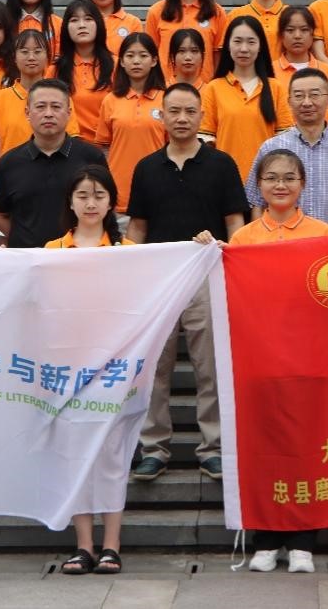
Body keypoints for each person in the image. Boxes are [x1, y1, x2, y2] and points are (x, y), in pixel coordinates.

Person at [221, 150, 328, 575]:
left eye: (290, 177)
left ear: (303, 184)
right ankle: (267, 539)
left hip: (308, 357)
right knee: (264, 451)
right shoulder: (243, 240)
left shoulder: (323, 233)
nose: (281, 185)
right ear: (259, 186)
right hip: (259, 360)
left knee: (308, 451)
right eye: (271, 178)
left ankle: (304, 541)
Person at [126, 83, 249, 482]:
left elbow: (235, 222)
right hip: (158, 280)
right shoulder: (147, 167)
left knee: (209, 366)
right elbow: (138, 227)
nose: (181, 119)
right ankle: (153, 448)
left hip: (207, 275)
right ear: (161, 116)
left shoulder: (221, 164)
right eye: (174, 111)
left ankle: (212, 448)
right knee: (154, 369)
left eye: (189, 112)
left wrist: (230, 259)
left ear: (201, 117)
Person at [50, 166, 133, 576]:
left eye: (99, 195)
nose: (90, 203)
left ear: (111, 202)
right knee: (73, 457)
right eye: (82, 195)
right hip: (66, 370)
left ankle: (111, 545)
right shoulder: (52, 251)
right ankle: (83, 546)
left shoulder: (129, 251)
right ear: (70, 201)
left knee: (112, 458)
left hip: (113, 370)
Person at [244, 68, 328, 232]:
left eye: (315, 95)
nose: (307, 102)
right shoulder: (270, 148)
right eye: (299, 96)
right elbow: (258, 205)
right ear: (289, 101)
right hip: (284, 244)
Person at [0, 79, 107, 248]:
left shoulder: (91, 157)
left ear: (69, 112)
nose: (48, 114)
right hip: (28, 257)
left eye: (56, 107)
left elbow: (104, 206)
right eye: (40, 107)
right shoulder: (9, 162)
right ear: (27, 113)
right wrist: (21, 237)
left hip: (77, 255)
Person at [200, 16, 294, 181]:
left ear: (260, 46)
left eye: (251, 42)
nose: (244, 49)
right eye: (237, 41)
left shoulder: (276, 88)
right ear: (228, 45)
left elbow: (285, 142)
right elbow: (206, 142)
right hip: (225, 182)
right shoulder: (213, 88)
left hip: (266, 184)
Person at [95, 32, 167, 223]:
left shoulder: (166, 99)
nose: (136, 61)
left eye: (143, 55)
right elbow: (104, 148)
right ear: (122, 62)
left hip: (159, 190)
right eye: (130, 55)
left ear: (154, 60)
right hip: (120, 194)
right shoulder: (110, 100)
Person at [0, 29, 51, 200]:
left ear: (47, 57)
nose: (31, 57)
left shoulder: (58, 96)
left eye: (37, 51)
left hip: (50, 183)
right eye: (24, 52)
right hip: (10, 183)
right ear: (14, 57)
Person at [54, 0, 115, 144]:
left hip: (108, 147)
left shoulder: (117, 65)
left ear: (98, 24)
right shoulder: (55, 69)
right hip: (67, 147)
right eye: (74, 20)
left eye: (88, 19)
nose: (82, 25)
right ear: (66, 28)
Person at [271, 5, 328, 98]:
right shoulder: (270, 72)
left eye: (304, 30)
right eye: (290, 30)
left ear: (312, 33)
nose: (297, 36)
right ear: (281, 35)